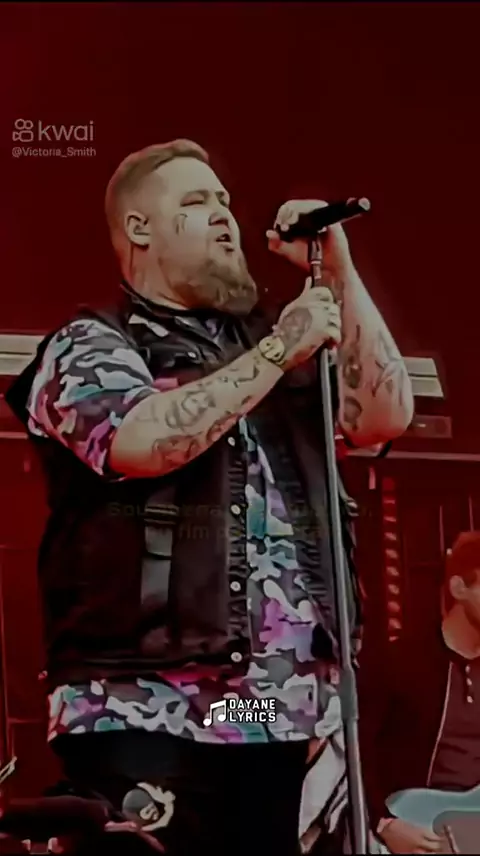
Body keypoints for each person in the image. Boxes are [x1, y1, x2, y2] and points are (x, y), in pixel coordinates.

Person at [6, 139, 412, 855]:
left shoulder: (269, 351)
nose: (224, 214)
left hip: (260, 714)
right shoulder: (91, 342)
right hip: (139, 707)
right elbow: (137, 439)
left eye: (225, 200)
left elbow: (381, 416)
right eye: (196, 202)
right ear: (139, 229)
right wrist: (278, 350)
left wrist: (338, 268)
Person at [359, 531, 480, 855]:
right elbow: (357, 751)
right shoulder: (400, 662)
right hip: (419, 828)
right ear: (459, 588)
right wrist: (383, 822)